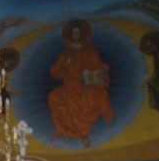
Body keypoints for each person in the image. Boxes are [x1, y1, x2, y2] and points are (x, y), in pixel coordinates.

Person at [47, 19, 113, 147]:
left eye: (78, 32)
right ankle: (62, 130)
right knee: (53, 97)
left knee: (88, 100)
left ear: (82, 34)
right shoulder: (66, 53)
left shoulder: (91, 51)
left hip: (88, 84)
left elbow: (98, 67)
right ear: (70, 35)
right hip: (70, 86)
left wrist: (102, 71)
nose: (76, 34)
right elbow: (54, 72)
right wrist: (64, 65)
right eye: (74, 32)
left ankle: (84, 134)